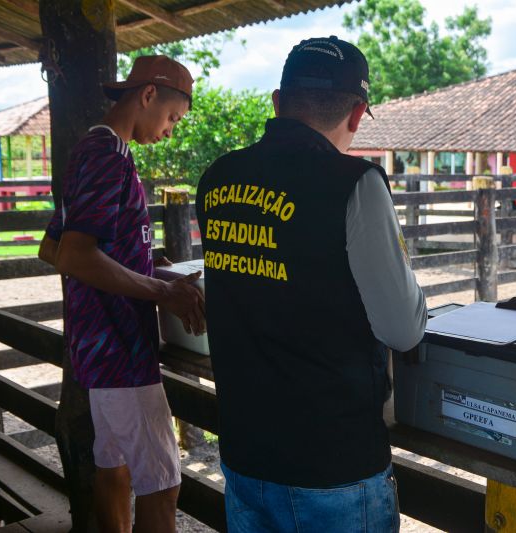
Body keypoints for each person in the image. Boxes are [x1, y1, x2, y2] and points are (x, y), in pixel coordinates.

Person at [195, 36, 427, 532]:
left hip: (244, 452)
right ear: (358, 113)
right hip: (331, 464)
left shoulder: (218, 178)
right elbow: (403, 329)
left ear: (278, 103)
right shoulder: (355, 183)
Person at [38, 55, 205, 533]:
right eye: (172, 117)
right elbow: (72, 255)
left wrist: (150, 267)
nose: (171, 130)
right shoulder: (108, 156)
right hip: (119, 350)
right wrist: (160, 290)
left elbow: (52, 245)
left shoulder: (99, 150)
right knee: (162, 482)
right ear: (147, 95)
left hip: (97, 348)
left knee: (114, 468)